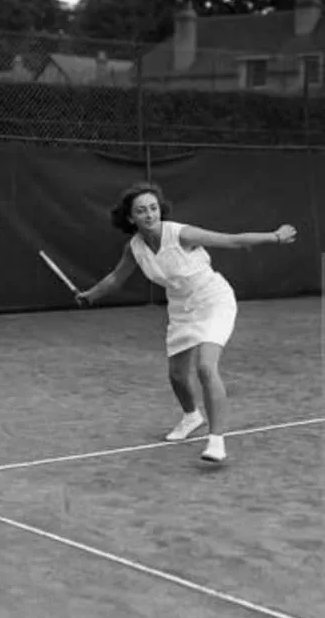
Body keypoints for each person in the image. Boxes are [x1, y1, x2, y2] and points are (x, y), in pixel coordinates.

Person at [75, 182, 297, 462]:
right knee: (177, 375)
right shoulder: (134, 248)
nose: (149, 214)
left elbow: (232, 240)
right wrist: (90, 296)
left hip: (213, 301)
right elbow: (116, 278)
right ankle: (192, 417)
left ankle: (216, 441)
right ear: (130, 218)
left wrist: (275, 237)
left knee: (205, 367)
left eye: (153, 208)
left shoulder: (181, 234)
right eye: (141, 211)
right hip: (181, 309)